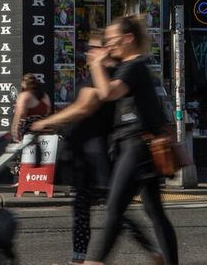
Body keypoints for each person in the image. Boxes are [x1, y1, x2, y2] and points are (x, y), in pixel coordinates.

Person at [33, 37, 160, 265]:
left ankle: (148, 250)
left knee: (110, 207)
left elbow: (85, 104)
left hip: (96, 151)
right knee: (87, 205)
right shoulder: (103, 72)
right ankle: (80, 258)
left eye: (94, 47)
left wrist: (49, 121)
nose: (89, 52)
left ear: (106, 49)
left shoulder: (107, 73)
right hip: (86, 148)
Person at [83, 16, 178, 265]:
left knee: (115, 208)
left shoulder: (134, 66)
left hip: (137, 145)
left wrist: (96, 64)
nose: (109, 46)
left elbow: (108, 92)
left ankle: (95, 261)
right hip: (142, 145)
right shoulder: (132, 66)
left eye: (112, 41)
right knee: (155, 213)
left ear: (128, 39)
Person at [11, 73, 52, 138]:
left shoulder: (24, 96)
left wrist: (15, 131)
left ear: (24, 84)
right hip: (44, 133)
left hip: (28, 133)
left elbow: (20, 115)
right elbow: (48, 112)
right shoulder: (45, 96)